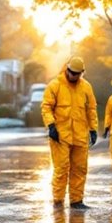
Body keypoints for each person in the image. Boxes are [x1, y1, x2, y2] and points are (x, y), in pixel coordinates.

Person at [41, 56, 98, 209]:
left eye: (77, 74)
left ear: (81, 73)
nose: (74, 76)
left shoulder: (86, 87)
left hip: (80, 135)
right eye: (72, 73)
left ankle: (76, 201)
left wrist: (93, 129)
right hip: (60, 135)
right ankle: (58, 201)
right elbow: (46, 107)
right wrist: (51, 126)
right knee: (61, 169)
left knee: (80, 169)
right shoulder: (55, 85)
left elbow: (91, 110)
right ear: (67, 69)